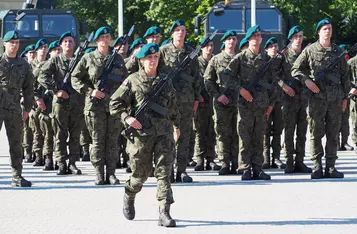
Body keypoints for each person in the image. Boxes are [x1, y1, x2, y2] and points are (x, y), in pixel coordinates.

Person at [109, 43, 180, 227]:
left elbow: (172, 106)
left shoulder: (165, 80)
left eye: (156, 57)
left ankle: (164, 212)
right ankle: (129, 193)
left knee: (164, 172)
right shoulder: (132, 80)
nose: (153, 60)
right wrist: (127, 118)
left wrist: (176, 126)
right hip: (141, 135)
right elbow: (114, 103)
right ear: (141, 60)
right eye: (149, 58)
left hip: (163, 133)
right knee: (141, 174)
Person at [291, 18, 350, 179]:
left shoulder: (339, 52)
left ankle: (331, 167)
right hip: (316, 99)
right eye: (324, 29)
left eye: (329, 28)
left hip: (335, 100)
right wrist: (307, 81)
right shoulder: (310, 50)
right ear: (318, 32)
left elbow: (346, 77)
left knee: (333, 133)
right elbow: (295, 69)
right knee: (316, 133)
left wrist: (345, 98)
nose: (327, 31)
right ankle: (317, 166)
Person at [71, 26, 128, 185]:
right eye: (101, 37)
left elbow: (125, 81)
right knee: (97, 141)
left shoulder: (117, 59)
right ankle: (98, 173)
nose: (105, 40)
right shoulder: (88, 58)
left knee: (112, 141)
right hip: (95, 107)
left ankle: (111, 173)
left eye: (107, 37)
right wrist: (90, 91)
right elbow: (74, 78)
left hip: (114, 106)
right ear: (97, 40)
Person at [225, 25, 277, 180]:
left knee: (259, 136)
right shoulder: (241, 58)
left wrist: (271, 104)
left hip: (262, 104)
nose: (256, 38)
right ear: (248, 39)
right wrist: (241, 90)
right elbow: (226, 76)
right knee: (245, 136)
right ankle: (245, 168)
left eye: (258, 35)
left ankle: (258, 168)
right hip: (245, 104)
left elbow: (273, 83)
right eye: (253, 36)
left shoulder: (267, 59)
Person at [159, 20, 200, 182]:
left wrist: (196, 98)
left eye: (182, 30)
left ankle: (181, 170)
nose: (180, 33)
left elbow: (197, 77)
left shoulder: (191, 52)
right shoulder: (163, 51)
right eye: (177, 30)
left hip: (186, 101)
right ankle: (167, 169)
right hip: (167, 101)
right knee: (167, 135)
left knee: (184, 135)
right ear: (172, 34)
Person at [38, 31, 83, 175]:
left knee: (75, 134)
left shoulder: (80, 60)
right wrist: (56, 90)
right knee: (60, 135)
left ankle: (73, 163)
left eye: (70, 41)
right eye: (65, 42)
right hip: (60, 103)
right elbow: (42, 76)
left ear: (74, 43)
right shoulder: (55, 60)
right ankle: (61, 163)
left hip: (77, 102)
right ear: (61, 45)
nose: (68, 44)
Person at [0, 30, 34, 187]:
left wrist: (27, 108)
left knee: (16, 143)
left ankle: (17, 176)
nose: (14, 45)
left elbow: (28, 88)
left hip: (14, 109)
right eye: (11, 42)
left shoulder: (24, 65)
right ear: (4, 44)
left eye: (17, 42)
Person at [204, 30, 239, 175]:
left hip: (239, 102)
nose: (231, 41)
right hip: (222, 103)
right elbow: (208, 80)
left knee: (238, 132)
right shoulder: (216, 60)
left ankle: (237, 162)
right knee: (222, 133)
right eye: (228, 39)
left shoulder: (240, 58)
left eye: (233, 39)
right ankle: (224, 162)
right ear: (224, 42)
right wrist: (217, 96)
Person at [283, 26, 312, 173]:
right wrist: (283, 87)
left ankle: (299, 161)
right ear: (290, 39)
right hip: (288, 99)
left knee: (302, 131)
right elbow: (274, 75)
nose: (298, 39)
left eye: (300, 36)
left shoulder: (306, 55)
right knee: (289, 131)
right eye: (296, 37)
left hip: (303, 98)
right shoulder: (284, 56)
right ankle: (288, 161)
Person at [194, 36, 220, 171]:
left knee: (211, 130)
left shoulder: (216, 60)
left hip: (213, 100)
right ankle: (199, 159)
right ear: (202, 48)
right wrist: (197, 96)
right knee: (199, 130)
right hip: (200, 101)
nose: (209, 48)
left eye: (211, 45)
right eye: (206, 46)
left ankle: (210, 159)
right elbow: (193, 81)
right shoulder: (196, 62)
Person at [262, 37, 286, 169]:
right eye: (271, 47)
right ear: (266, 49)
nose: (274, 48)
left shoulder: (282, 61)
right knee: (265, 130)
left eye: (276, 46)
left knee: (277, 129)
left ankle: (276, 157)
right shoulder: (263, 62)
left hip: (279, 100)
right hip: (265, 100)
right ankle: (266, 158)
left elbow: (286, 75)